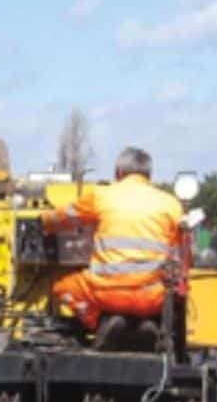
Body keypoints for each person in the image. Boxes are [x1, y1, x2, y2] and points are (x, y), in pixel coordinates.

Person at [42, 147, 183, 350]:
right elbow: (176, 253)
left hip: (108, 295)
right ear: (149, 175)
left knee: (61, 287)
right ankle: (148, 324)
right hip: (151, 298)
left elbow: (62, 218)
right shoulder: (171, 204)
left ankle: (101, 324)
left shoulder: (101, 196)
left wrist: (45, 221)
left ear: (118, 173)